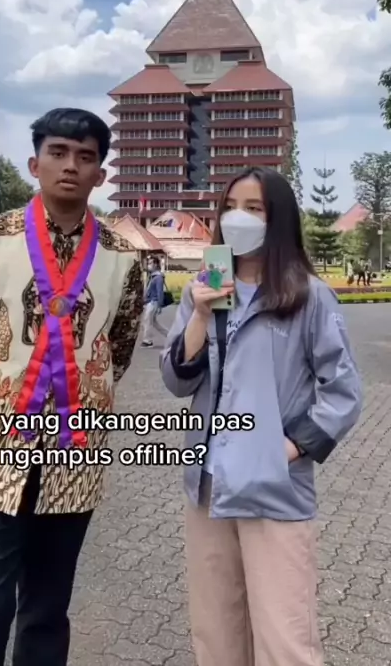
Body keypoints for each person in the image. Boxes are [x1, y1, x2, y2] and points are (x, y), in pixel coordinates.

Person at [0, 108, 144, 666]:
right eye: (58, 152)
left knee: (47, 615)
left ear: (101, 174)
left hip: (74, 457)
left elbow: (118, 347)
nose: (70, 166)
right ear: (35, 163)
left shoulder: (123, 257)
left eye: (85, 157)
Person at [160, 167, 362, 666]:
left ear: (279, 219)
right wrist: (201, 315)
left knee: (284, 640)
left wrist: (287, 447)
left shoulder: (307, 296)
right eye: (231, 207)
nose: (239, 218)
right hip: (209, 485)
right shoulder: (205, 288)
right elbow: (177, 381)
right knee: (217, 633)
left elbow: (342, 391)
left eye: (254, 209)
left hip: (273, 489)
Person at [141, 255, 168, 347]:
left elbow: (160, 292)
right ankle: (170, 336)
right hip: (150, 302)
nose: (149, 265)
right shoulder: (153, 276)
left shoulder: (158, 277)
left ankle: (147, 340)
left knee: (147, 321)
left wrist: (160, 305)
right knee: (154, 323)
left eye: (150, 263)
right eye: (148, 263)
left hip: (154, 302)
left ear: (156, 264)